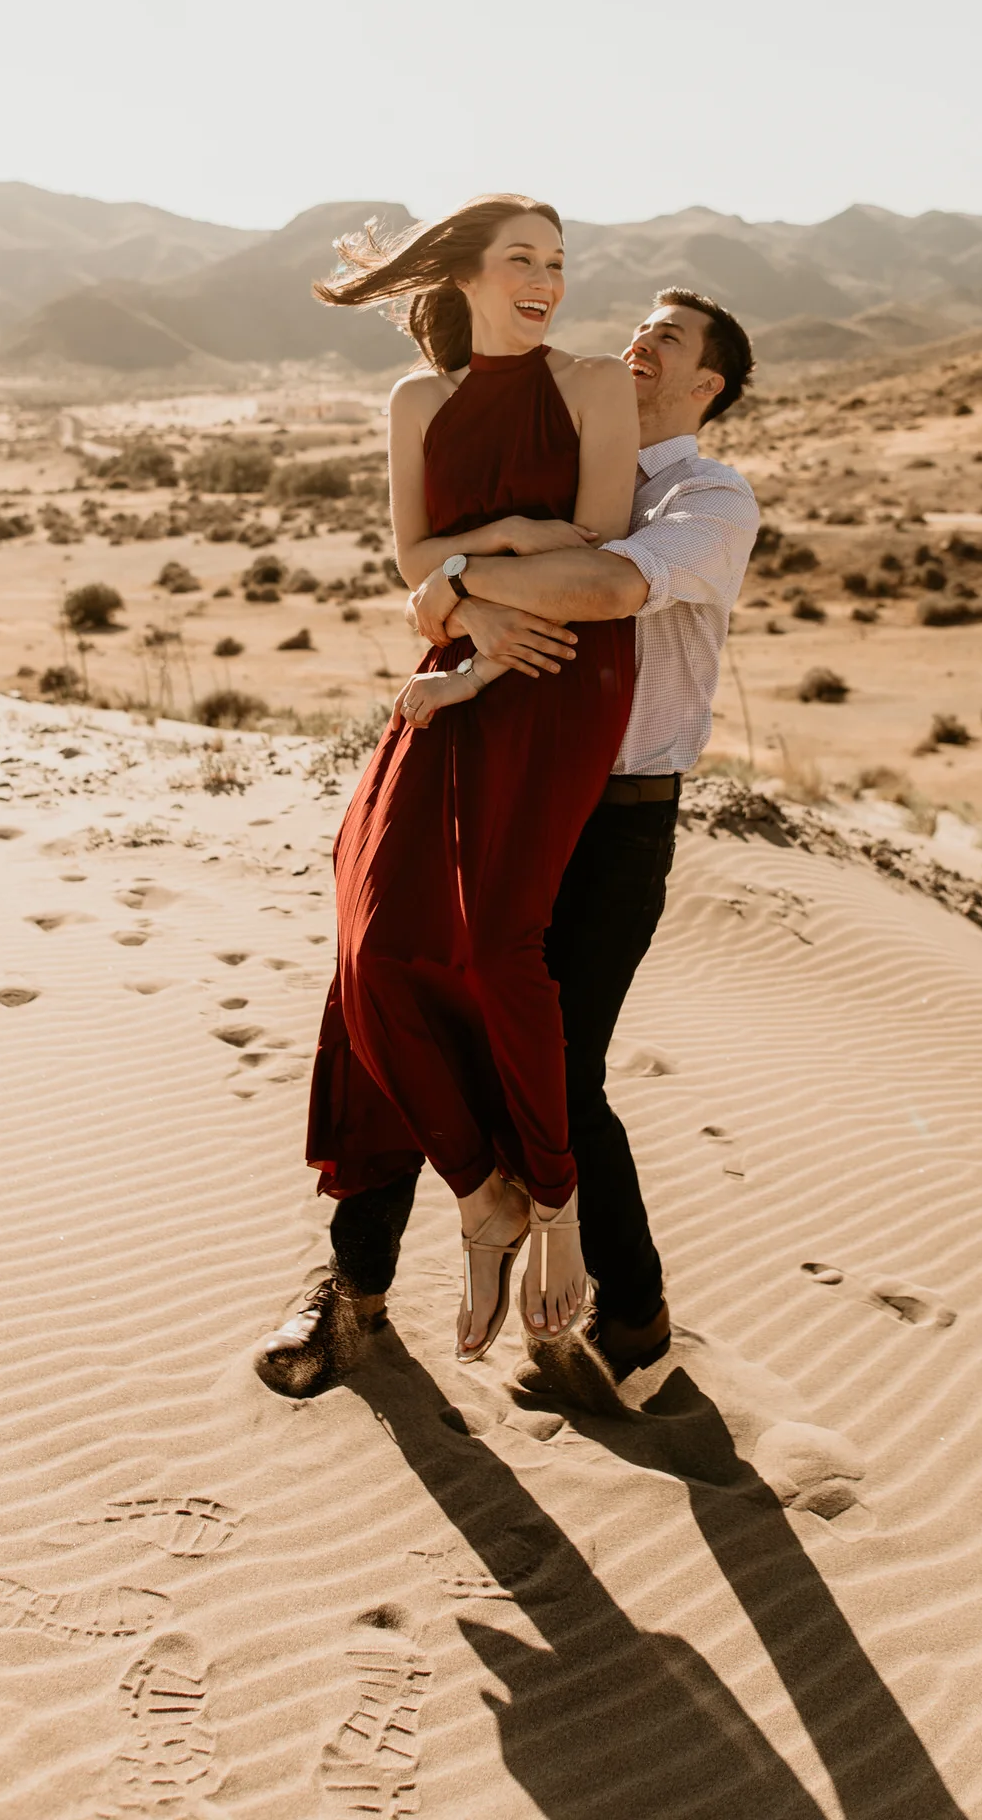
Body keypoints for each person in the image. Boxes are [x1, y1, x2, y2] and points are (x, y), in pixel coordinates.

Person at [257, 284, 759, 1404]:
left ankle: (631, 1321)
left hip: (612, 822)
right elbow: (418, 602)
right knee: (397, 1008)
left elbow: (608, 583)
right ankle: (352, 1285)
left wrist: (468, 577)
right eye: (634, 328)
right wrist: (449, 592)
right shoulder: (567, 460)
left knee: (563, 1070)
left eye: (666, 341)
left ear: (708, 385)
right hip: (489, 790)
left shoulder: (708, 496)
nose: (637, 345)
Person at [300, 194, 641, 1364]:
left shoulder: (596, 385)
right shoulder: (418, 401)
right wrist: (482, 575)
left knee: (499, 940)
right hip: (462, 659)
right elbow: (408, 556)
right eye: (522, 260)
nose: (547, 278)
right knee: (375, 944)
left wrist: (466, 573)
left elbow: (594, 542)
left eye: (558, 260)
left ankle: (554, 1206)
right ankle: (479, 1191)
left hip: (561, 668)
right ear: (465, 274)